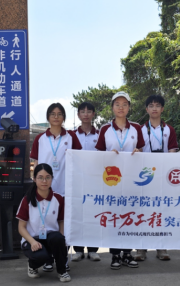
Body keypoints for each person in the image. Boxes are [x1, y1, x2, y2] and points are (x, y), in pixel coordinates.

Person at [95, 91, 145, 270]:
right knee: (114, 217)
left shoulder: (136, 128)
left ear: (129, 107)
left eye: (124, 104)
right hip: (112, 181)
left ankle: (127, 253)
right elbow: (99, 154)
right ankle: (115, 254)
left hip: (132, 180)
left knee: (130, 216)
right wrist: (108, 155)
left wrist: (139, 151)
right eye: (117, 104)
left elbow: (142, 150)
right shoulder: (105, 129)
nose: (121, 107)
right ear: (112, 107)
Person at [30, 103, 82, 271]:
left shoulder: (71, 137)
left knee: (64, 226)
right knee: (45, 224)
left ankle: (62, 259)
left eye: (59, 114)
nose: (56, 117)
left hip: (66, 189)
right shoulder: (40, 139)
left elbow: (79, 159)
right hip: (45, 189)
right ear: (48, 117)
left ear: (63, 117)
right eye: (52, 114)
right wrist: (36, 185)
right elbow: (36, 163)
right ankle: (48, 258)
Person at [133, 95, 179, 262]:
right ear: (146, 109)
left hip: (162, 176)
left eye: (157, 105)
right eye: (151, 106)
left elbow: (172, 152)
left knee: (161, 211)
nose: (154, 108)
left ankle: (161, 247)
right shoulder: (139, 130)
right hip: (145, 176)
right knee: (143, 211)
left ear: (162, 109)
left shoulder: (169, 130)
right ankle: (141, 248)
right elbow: (137, 150)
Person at [17, 163, 71, 282]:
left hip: (51, 237)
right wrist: (32, 242)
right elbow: (21, 227)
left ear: (52, 178)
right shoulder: (27, 200)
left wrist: (62, 236)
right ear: (34, 179)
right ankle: (32, 266)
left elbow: (61, 221)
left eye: (48, 177)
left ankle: (62, 271)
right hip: (32, 239)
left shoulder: (58, 199)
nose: (44, 181)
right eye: (40, 177)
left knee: (59, 239)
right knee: (41, 256)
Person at [72, 101, 101, 262]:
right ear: (78, 115)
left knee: (93, 214)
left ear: (93, 114)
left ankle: (93, 249)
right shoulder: (71, 135)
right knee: (78, 214)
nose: (86, 114)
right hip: (77, 181)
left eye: (89, 111)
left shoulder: (100, 135)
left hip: (95, 181)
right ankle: (78, 249)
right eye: (82, 111)